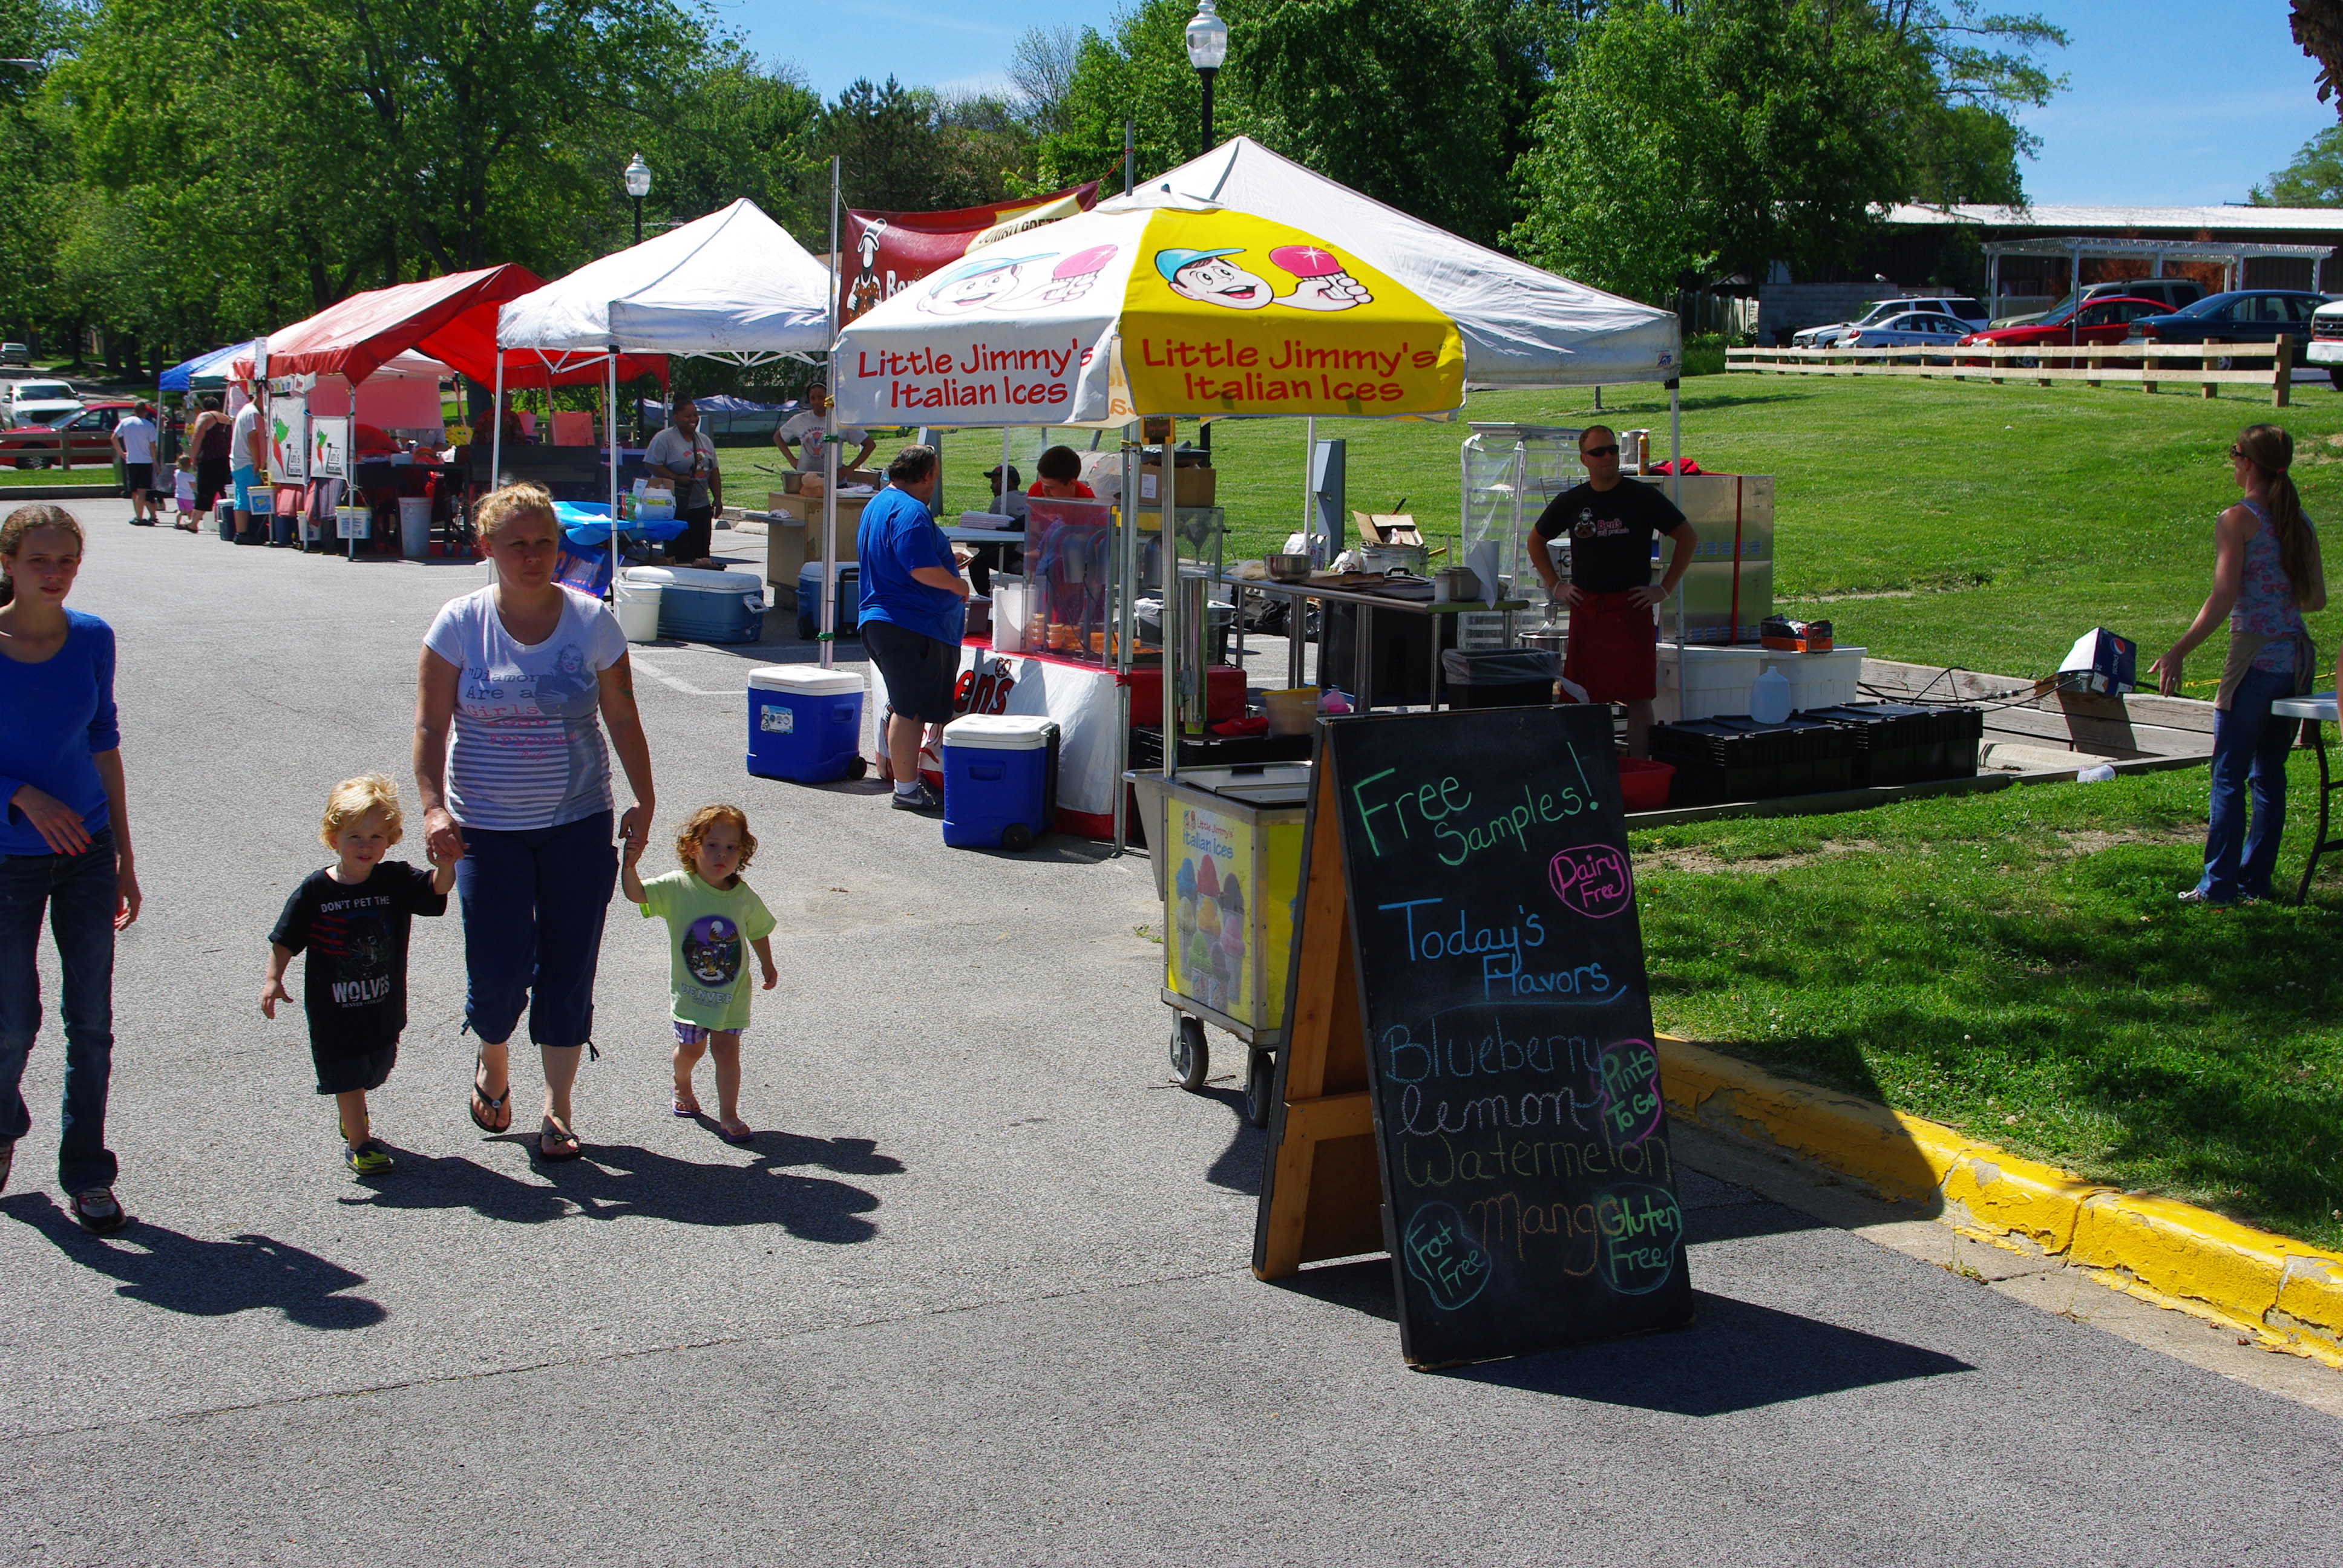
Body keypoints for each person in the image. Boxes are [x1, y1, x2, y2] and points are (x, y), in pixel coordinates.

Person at [414, 483, 656, 1162]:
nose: (532, 556)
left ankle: (558, 1104)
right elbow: (432, 725)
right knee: (495, 973)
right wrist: (433, 806)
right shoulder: (458, 624)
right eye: (516, 544)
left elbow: (624, 716)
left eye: (544, 542)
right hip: (484, 828)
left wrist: (644, 797)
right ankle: (493, 1058)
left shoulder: (592, 621)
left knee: (568, 967)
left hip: (577, 822)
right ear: (486, 547)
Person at [0, 505, 140, 1233]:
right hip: (9, 860)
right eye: (39, 562)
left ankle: (87, 1172)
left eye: (66, 563)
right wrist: (18, 794)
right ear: (9, 564)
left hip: (86, 854)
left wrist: (122, 855)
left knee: (90, 1021)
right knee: (11, 1021)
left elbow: (104, 743)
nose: (53, 575)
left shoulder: (92, 638)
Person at [2149, 425, 2327, 905]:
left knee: (2228, 774)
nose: (2232, 463)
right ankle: (2256, 883)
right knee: (2269, 775)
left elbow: (2224, 596)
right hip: (2295, 661)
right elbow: (2316, 600)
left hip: (2253, 662)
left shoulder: (2237, 519)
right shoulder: (2298, 520)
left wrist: (2179, 649)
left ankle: (2218, 886)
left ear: (2248, 463)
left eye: (2234, 455)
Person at [261, 775, 456, 1175]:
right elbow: (285, 938)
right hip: (333, 1011)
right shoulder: (316, 891)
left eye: (375, 837)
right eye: (354, 837)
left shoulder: (396, 880)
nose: (366, 846)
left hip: (382, 1007)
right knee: (347, 1075)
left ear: (390, 839)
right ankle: (359, 1142)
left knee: (375, 1071)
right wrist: (273, 979)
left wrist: (446, 866)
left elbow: (436, 891)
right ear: (334, 838)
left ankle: (353, 1116)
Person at [1528, 425, 1696, 757]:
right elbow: (1536, 541)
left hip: (1630, 607)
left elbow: (1687, 537)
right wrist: (1556, 585)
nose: (1607, 458)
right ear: (1584, 460)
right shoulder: (1572, 501)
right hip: (1588, 609)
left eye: (1612, 451)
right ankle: (1592, 768)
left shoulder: (1642, 497)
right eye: (1598, 452)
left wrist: (1664, 588)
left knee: (1638, 696)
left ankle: (1639, 768)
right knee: (1585, 695)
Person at [623, 803, 776, 1145]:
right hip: (692, 995)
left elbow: (759, 930)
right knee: (691, 1051)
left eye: (731, 848)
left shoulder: (742, 896)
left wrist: (768, 963)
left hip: (731, 996)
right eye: (712, 845)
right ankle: (682, 1083)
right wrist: (629, 867)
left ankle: (729, 1115)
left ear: (743, 852)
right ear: (692, 848)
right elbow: (637, 895)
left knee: (726, 1053)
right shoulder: (678, 887)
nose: (722, 854)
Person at [857, 444, 967, 814]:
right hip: (908, 623)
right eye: (934, 477)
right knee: (910, 711)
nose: (933, 485)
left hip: (883, 621)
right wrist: (957, 584)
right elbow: (918, 569)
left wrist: (946, 560)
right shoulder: (912, 511)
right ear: (926, 476)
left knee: (905, 705)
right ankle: (906, 789)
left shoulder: (878, 504)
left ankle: (906, 782)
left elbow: (902, 555)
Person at [645, 397, 721, 567]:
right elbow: (651, 464)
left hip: (700, 505)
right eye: (688, 416)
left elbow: (714, 470)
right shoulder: (664, 439)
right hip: (674, 507)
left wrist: (718, 498)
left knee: (702, 553)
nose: (693, 420)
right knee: (678, 553)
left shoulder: (704, 440)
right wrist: (676, 478)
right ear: (676, 417)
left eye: (695, 415)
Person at [775, 385, 873, 477]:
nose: (817, 402)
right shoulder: (800, 420)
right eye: (813, 398)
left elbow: (870, 444)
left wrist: (850, 469)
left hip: (835, 481)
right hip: (806, 480)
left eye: (821, 398)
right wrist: (792, 460)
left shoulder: (840, 421)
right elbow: (778, 437)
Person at [229, 387, 267, 545]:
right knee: (245, 499)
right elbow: (252, 438)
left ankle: (243, 532)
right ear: (259, 395)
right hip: (247, 462)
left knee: (241, 496)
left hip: (240, 462)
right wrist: (258, 462)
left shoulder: (246, 410)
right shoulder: (252, 413)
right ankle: (243, 533)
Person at [111, 402, 159, 526]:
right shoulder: (149, 425)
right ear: (145, 411)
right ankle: (141, 516)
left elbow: (114, 438)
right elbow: (153, 446)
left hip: (132, 460)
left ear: (134, 411)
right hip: (146, 460)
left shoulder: (125, 422)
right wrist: (155, 462)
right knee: (143, 491)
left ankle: (138, 515)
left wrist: (121, 453)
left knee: (134, 491)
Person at [188, 396, 232, 521]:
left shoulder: (206, 416)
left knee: (205, 492)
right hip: (225, 459)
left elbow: (197, 437)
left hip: (209, 459)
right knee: (226, 491)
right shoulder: (227, 419)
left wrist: (194, 457)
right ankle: (232, 522)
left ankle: (194, 522)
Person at [1029, 445, 1095, 501]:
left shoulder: (1089, 503)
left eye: (1051, 487)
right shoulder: (1036, 491)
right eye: (1042, 483)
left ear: (1071, 483)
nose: (1044, 491)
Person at [169, 452, 200, 532]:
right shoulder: (190, 476)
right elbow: (193, 487)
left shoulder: (177, 473)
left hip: (179, 495)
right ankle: (190, 522)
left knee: (181, 510)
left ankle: (177, 523)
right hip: (188, 496)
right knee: (190, 511)